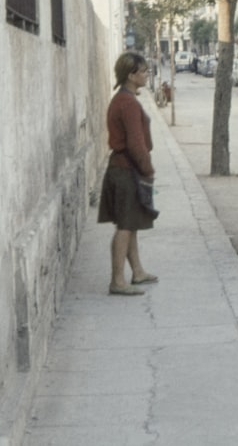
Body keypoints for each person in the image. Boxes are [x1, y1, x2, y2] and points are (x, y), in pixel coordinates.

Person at [98, 51, 159, 296]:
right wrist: (148, 169)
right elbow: (135, 143)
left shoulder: (123, 99)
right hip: (127, 170)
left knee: (130, 223)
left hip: (123, 167)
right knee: (125, 226)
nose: (146, 75)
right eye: (143, 71)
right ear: (131, 75)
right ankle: (117, 280)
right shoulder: (127, 103)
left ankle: (137, 271)